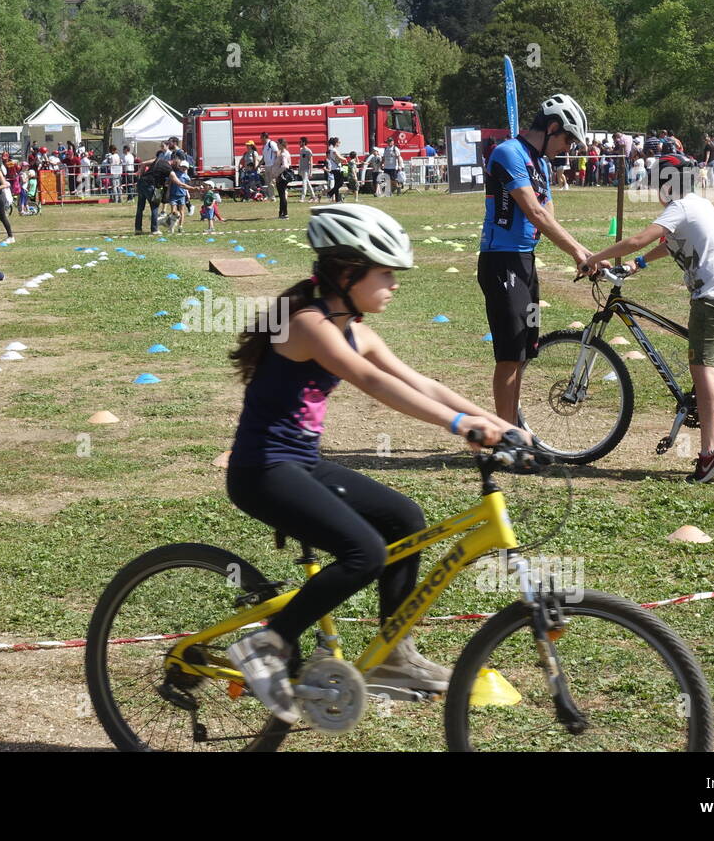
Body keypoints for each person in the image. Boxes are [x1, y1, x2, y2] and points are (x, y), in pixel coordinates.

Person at [223, 204, 514, 722]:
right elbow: (372, 381)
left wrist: (502, 424)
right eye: (386, 273)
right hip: (262, 471)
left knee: (405, 521)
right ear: (346, 271)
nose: (394, 285)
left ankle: (393, 656)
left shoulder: (354, 327)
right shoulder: (309, 323)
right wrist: (455, 426)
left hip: (302, 463)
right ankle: (266, 645)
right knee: (365, 552)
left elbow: (423, 384)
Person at [579, 154, 714, 482]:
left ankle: (710, 453)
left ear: (668, 183)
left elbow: (640, 238)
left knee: (702, 369)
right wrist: (637, 264)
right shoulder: (699, 205)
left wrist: (593, 258)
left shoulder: (679, 207)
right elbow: (667, 245)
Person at [479, 94, 600, 424]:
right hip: (501, 262)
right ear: (551, 127)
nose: (568, 148)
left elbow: (550, 217)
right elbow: (533, 212)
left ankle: (513, 427)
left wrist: (588, 254)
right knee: (509, 354)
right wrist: (577, 252)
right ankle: (507, 436)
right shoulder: (508, 153)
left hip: (525, 264)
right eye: (567, 139)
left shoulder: (542, 164)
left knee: (523, 351)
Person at [135, 149, 170, 234]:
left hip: (142, 183)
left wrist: (141, 175)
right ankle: (154, 229)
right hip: (151, 185)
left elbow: (143, 163)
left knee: (140, 208)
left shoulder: (155, 162)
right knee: (154, 207)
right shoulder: (163, 163)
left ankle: (138, 229)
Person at [164, 158, 203, 233]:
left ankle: (180, 226)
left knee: (182, 211)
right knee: (173, 211)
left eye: (185, 167)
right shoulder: (174, 174)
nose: (183, 168)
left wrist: (187, 194)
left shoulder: (186, 177)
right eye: (182, 167)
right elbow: (170, 184)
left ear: (187, 168)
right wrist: (168, 192)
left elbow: (186, 186)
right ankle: (172, 226)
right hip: (173, 194)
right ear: (180, 167)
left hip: (182, 195)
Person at [271, 138, 293, 218]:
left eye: (278, 144)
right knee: (282, 195)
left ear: (281, 144)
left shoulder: (283, 154)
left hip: (281, 176)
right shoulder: (285, 152)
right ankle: (281, 213)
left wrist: (277, 174)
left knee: (282, 195)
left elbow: (285, 166)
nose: (277, 145)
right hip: (281, 176)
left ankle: (285, 213)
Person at [298, 137, 319, 202]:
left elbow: (311, 162)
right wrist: (299, 169)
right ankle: (313, 196)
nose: (299, 143)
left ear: (304, 142)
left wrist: (311, 171)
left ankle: (302, 198)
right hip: (302, 169)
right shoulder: (301, 150)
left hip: (306, 170)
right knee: (307, 183)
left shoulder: (308, 151)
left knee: (304, 183)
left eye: (300, 142)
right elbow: (300, 161)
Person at [325, 136, 343, 203]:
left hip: (335, 168)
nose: (340, 143)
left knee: (337, 184)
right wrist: (344, 159)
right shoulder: (334, 150)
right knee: (341, 183)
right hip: (336, 168)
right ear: (336, 143)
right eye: (338, 142)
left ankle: (337, 200)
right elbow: (339, 158)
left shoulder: (333, 150)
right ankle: (330, 193)